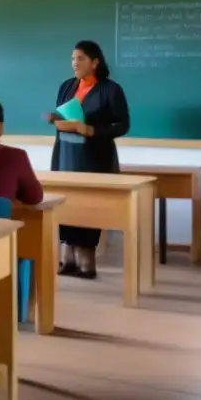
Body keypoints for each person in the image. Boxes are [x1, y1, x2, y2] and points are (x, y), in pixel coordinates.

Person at [45, 40, 131, 279]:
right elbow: (65, 115)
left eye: (80, 58)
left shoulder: (110, 90)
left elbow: (123, 125)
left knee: (87, 206)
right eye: (73, 58)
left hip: (94, 156)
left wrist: (91, 131)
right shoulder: (66, 86)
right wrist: (55, 119)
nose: (75, 63)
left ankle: (87, 263)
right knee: (65, 203)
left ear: (95, 62)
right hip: (65, 153)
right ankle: (67, 259)